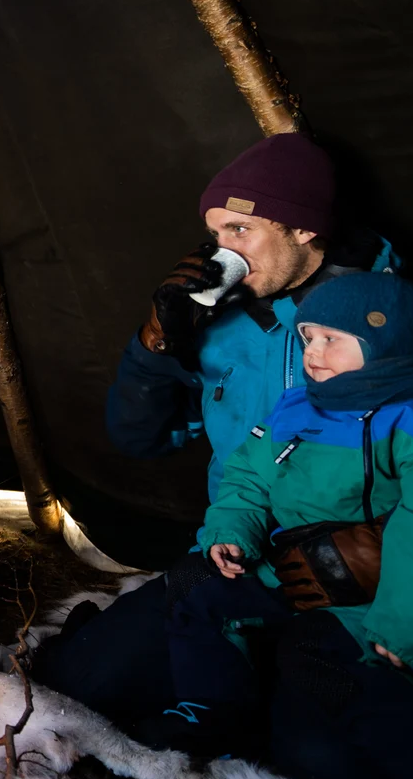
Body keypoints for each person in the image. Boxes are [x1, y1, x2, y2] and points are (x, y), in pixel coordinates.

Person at [35, 133, 394, 719]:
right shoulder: (219, 324)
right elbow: (138, 437)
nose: (219, 250)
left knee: (318, 749)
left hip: (350, 586)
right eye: (217, 232)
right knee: (81, 684)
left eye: (240, 231)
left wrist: (392, 547)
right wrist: (156, 341)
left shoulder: (400, 316)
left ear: (305, 229)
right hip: (235, 560)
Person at [145, 273, 413, 779]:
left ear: (389, 343)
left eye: (331, 339)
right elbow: (248, 478)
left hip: (368, 598)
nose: (313, 352)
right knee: (195, 582)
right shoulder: (297, 407)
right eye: (309, 337)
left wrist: (407, 627)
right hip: (285, 570)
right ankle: (213, 712)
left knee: (320, 662)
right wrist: (230, 533)